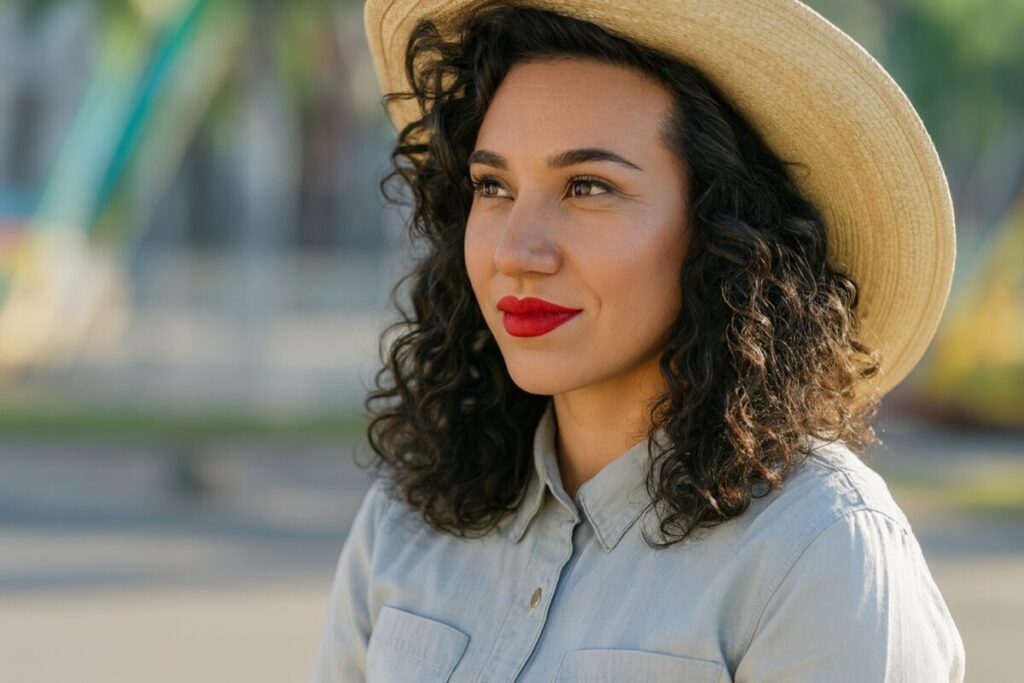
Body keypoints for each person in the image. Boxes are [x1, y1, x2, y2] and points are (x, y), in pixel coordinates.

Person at [312, 0, 966, 680]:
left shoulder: (820, 550)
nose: (515, 251)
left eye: (587, 186)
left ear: (722, 227)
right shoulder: (405, 519)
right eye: (494, 186)